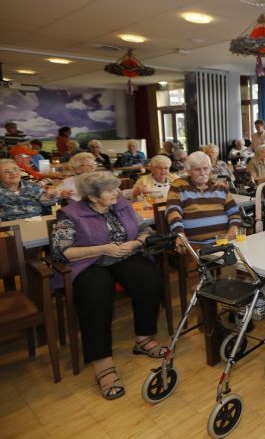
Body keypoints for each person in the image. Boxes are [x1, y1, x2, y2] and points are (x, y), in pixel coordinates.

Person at [49, 171, 165, 400]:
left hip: (124, 255)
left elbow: (146, 230)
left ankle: (144, 338)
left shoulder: (122, 205)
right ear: (92, 197)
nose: (117, 193)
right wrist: (103, 248)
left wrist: (135, 243)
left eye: (116, 188)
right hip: (90, 262)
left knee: (149, 281)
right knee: (95, 297)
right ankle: (102, 362)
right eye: (110, 190)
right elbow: (62, 251)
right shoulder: (71, 214)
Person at [166, 151, 241, 248]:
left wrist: (233, 229)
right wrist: (179, 234)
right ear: (188, 171)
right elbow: (173, 211)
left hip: (224, 243)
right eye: (197, 169)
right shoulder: (178, 186)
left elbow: (234, 213)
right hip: (194, 246)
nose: (202, 173)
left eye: (205, 168)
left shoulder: (220, 186)